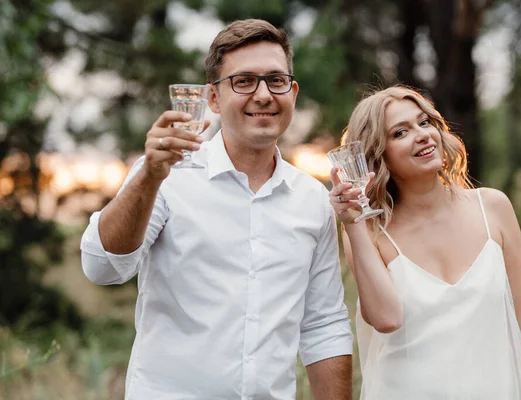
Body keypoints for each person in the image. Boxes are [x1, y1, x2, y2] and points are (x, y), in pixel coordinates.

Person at [80, 19, 353, 400]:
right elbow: (102, 267)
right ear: (212, 98)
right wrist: (149, 177)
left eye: (276, 80)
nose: (262, 95)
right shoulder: (166, 174)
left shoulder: (312, 199)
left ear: (292, 92)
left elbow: (323, 325)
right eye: (243, 81)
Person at [329, 85, 521, 399]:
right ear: (378, 154)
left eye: (425, 122)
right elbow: (386, 319)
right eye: (400, 133)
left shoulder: (493, 207)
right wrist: (354, 223)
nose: (422, 135)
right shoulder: (369, 232)